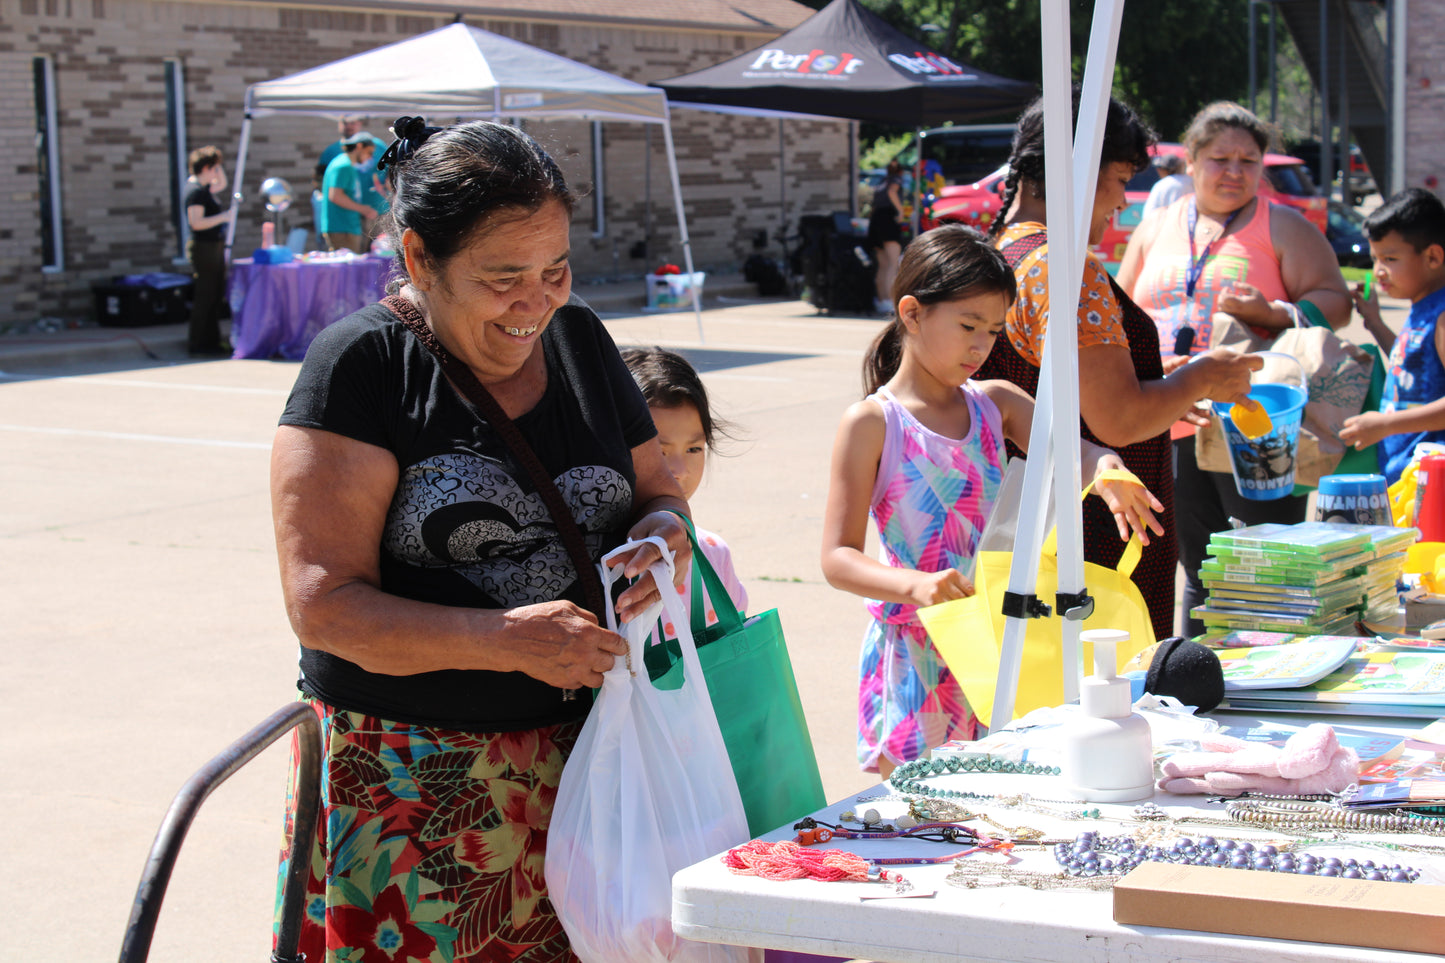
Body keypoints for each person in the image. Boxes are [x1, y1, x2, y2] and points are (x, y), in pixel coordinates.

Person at [269, 116, 692, 962]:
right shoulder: (359, 368)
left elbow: (659, 491)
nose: (536, 300)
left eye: (556, 269)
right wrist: (503, 642)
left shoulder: (579, 340)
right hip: (416, 796)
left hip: (598, 774)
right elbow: (324, 608)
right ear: (420, 256)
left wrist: (660, 538)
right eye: (504, 277)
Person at [820, 224, 1165, 777]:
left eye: (994, 330)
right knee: (928, 820)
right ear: (912, 313)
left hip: (1007, 645)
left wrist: (1104, 467)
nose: (981, 346)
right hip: (921, 654)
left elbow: (1071, 451)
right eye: (967, 326)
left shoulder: (996, 405)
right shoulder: (873, 423)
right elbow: (837, 558)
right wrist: (915, 585)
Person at [979, 93, 1260, 640]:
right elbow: (1119, 419)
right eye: (1120, 177)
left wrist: (1169, 379)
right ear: (1077, 171)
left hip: (1034, 531)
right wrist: (1202, 375)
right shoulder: (1064, 266)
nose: (1123, 198)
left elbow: (1065, 380)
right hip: (1097, 545)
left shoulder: (1001, 250)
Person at [1118, 101, 1350, 635]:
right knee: (1196, 565)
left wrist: (1273, 313)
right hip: (1170, 415)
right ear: (1192, 161)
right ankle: (1199, 676)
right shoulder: (1155, 226)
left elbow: (1336, 301)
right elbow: (1123, 308)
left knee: (1266, 560)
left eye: (1249, 161)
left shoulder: (1283, 225)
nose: (1233, 171)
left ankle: (1275, 677)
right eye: (1220, 158)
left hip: (1256, 424)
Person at [621, 346, 748, 635]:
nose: (680, 470)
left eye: (693, 448)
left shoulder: (712, 553)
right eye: (658, 451)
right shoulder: (603, 556)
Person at [1339, 188, 1445, 482]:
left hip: (1431, 483)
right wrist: (1374, 322)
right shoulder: (1423, 307)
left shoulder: (1442, 314)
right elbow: (1413, 366)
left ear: (1433, 257)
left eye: (1389, 258)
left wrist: (1386, 424)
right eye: (1375, 259)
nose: (1379, 271)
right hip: (1407, 477)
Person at [184, 145, 234, 356]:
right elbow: (196, 223)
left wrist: (218, 164)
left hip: (214, 246)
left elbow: (221, 183)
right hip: (203, 248)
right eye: (213, 168)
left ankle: (212, 340)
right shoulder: (195, 191)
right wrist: (223, 217)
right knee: (205, 296)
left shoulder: (204, 189)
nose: (216, 173)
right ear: (205, 168)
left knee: (215, 294)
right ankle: (198, 342)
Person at [319, 131, 380, 253]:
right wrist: (363, 209)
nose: (370, 157)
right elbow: (335, 196)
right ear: (359, 147)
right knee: (348, 270)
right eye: (369, 152)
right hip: (342, 228)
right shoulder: (343, 166)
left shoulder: (346, 165)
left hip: (347, 226)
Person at [869, 159, 906, 315]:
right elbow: (892, 192)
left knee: (883, 264)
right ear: (900, 172)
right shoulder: (895, 180)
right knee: (893, 263)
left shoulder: (881, 183)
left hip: (875, 221)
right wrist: (901, 211)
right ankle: (891, 301)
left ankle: (882, 300)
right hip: (887, 221)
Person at [1141, 152, 1193, 217]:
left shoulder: (1161, 185)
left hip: (1165, 225)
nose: (1158, 171)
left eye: (1160, 168)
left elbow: (1148, 214)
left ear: (1165, 170)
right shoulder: (1192, 181)